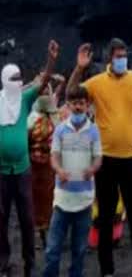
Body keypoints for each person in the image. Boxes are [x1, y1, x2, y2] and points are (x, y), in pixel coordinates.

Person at [65, 38, 132, 277]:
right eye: (118, 56)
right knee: (104, 217)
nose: (122, 60)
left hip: (131, 158)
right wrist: (80, 67)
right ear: (109, 59)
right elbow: (71, 94)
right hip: (106, 161)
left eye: (124, 55)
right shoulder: (97, 83)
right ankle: (107, 271)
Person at [0, 41, 59, 277]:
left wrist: (51, 60)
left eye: (19, 78)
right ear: (4, 80)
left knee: (27, 218)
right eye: (12, 78)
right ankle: (3, 264)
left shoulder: (24, 99)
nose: (17, 81)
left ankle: (30, 264)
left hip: (23, 170)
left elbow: (43, 82)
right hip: (2, 172)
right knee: (1, 220)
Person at [43, 85, 102, 277]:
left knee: (79, 251)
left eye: (82, 103)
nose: (78, 107)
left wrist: (92, 168)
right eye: (74, 103)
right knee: (52, 250)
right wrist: (59, 170)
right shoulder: (60, 130)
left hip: (84, 201)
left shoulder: (93, 131)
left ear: (87, 105)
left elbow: (98, 157)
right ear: (68, 105)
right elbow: (54, 156)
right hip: (62, 201)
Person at [28, 82, 62, 248]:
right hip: (36, 165)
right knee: (37, 198)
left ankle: (45, 232)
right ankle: (39, 232)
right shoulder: (33, 119)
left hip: (47, 165)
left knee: (47, 198)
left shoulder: (52, 116)